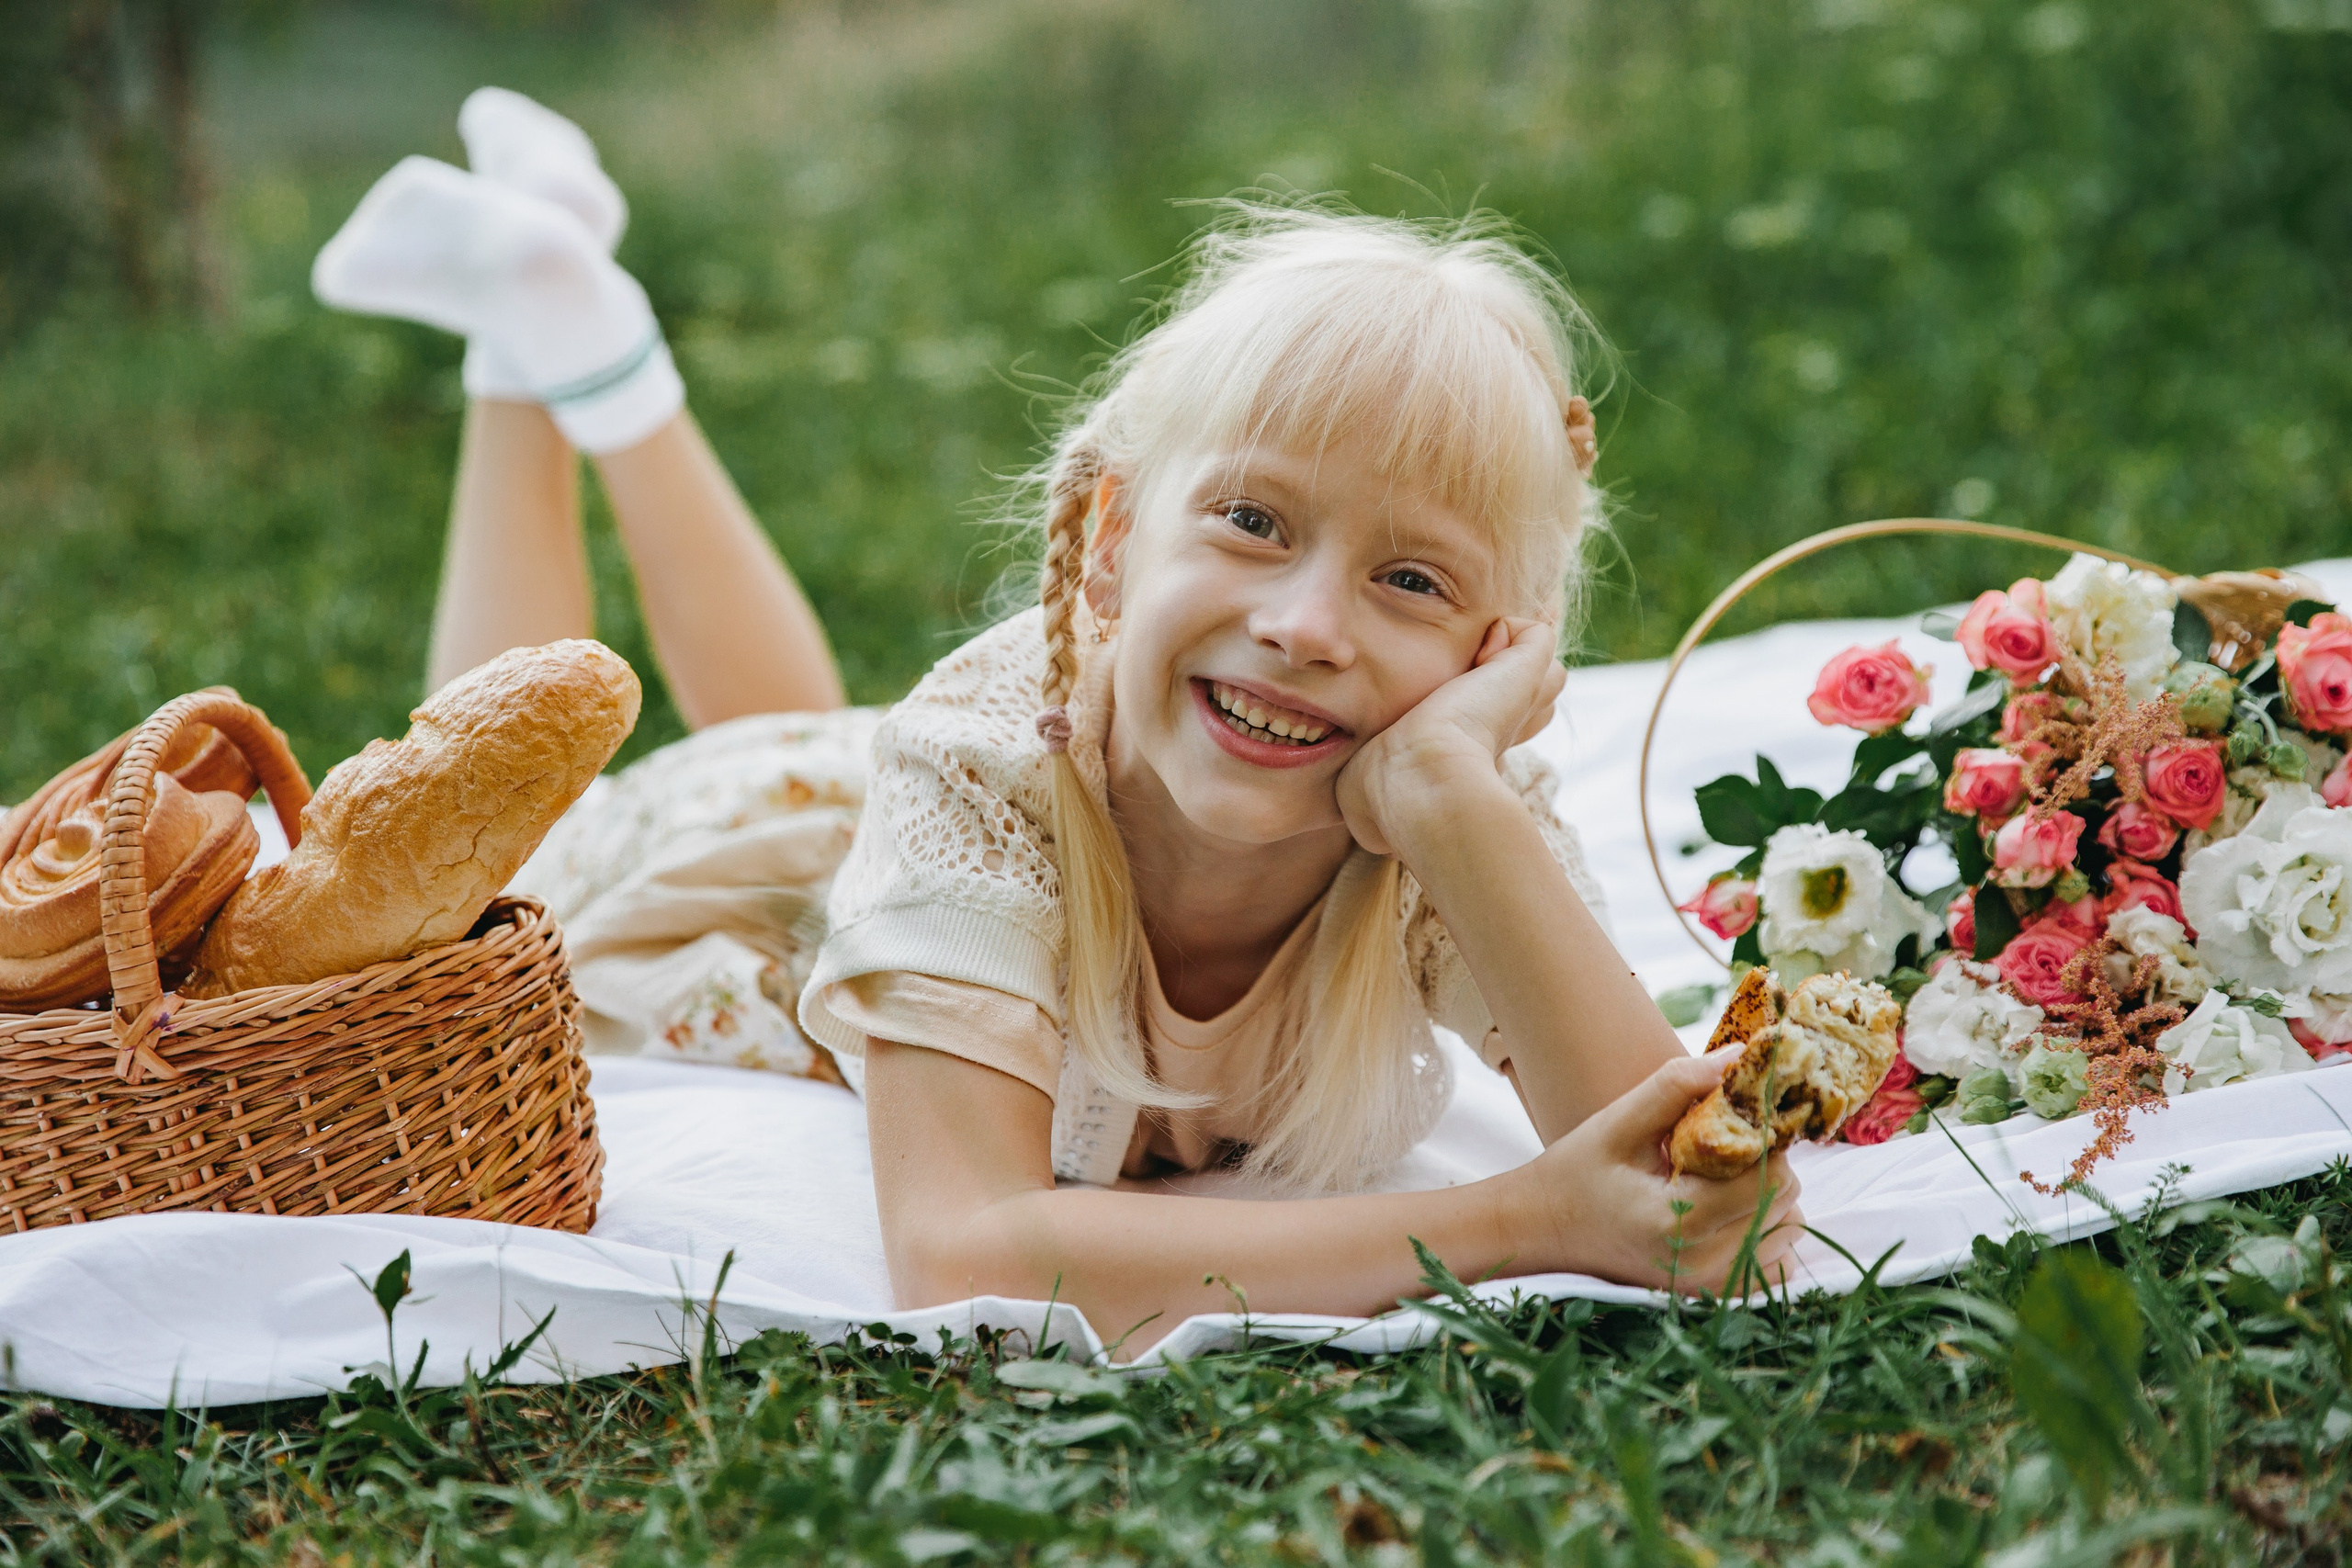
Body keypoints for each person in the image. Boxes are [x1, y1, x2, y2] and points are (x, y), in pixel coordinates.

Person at [314, 88, 1798, 1351]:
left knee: (798, 723)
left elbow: (1694, 1183)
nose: (1307, 625)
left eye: (1411, 580)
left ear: (1502, 653)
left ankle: (564, 307)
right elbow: (967, 1258)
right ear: (1108, 539)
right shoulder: (973, 768)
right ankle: (542, 344)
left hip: (878, 801)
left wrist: (1460, 803)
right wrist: (1520, 1221)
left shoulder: (1442, 803)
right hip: (753, 888)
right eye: (1253, 520)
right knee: (526, 811)